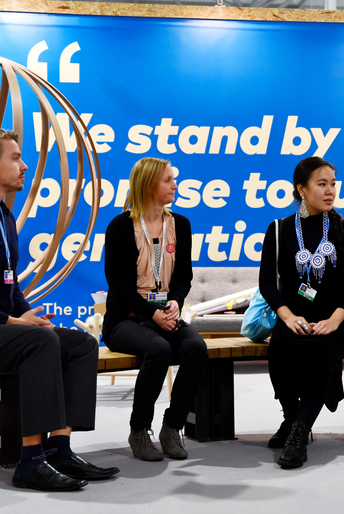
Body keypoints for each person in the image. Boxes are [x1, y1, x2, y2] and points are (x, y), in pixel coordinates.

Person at [0, 128, 119, 491]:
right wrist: (13, 321)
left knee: (81, 344)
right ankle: (30, 461)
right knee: (40, 342)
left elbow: (9, 283)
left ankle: (59, 449)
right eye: (15, 158)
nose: (25, 165)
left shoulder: (3, 216)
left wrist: (27, 315)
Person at [259, 156, 344, 469]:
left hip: (339, 318)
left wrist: (334, 320)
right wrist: (288, 317)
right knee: (279, 349)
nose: (330, 191)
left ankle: (299, 433)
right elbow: (267, 283)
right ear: (301, 189)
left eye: (333, 183)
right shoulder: (278, 229)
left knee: (319, 353)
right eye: (322, 184)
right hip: (295, 317)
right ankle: (292, 418)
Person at [102, 157, 208, 462]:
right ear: (149, 185)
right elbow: (118, 285)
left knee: (196, 348)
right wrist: (152, 314)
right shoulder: (120, 226)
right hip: (126, 318)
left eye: (173, 179)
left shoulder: (181, 225)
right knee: (159, 350)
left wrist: (175, 302)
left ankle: (172, 427)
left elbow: (184, 277)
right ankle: (139, 430)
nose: (175, 185)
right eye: (168, 180)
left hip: (165, 314)